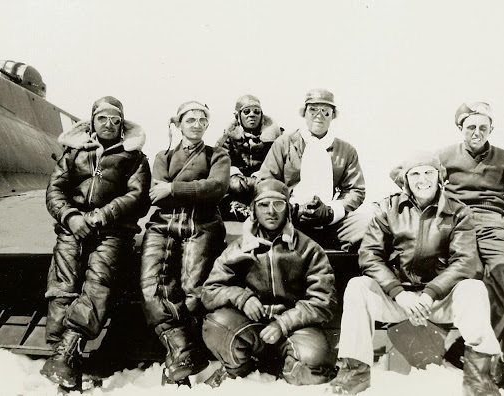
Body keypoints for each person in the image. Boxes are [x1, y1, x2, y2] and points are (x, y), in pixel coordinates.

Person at [330, 153, 504, 396]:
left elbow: (464, 261)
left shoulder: (459, 212)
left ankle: (479, 378)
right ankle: (354, 373)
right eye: (415, 174)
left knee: (473, 289)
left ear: (439, 176)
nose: (422, 179)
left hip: (440, 299)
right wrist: (399, 294)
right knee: (358, 287)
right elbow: (369, 255)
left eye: (428, 172)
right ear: (406, 181)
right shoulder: (387, 209)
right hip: (400, 299)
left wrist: (430, 294)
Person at [390, 102, 504, 388]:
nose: (477, 132)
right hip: (453, 221)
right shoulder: (443, 155)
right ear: (460, 129)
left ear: (491, 129)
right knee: (464, 273)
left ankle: (486, 354)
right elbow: (401, 171)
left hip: (490, 223)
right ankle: (451, 344)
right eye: (471, 127)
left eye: (483, 127)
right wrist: (429, 198)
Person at [42, 96, 151, 388]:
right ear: (92, 121)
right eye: (102, 118)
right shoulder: (72, 153)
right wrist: (71, 217)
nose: (109, 124)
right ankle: (60, 356)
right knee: (61, 287)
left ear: (122, 123)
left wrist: (104, 215)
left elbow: (136, 196)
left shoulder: (134, 158)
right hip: (73, 230)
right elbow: (55, 190)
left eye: (115, 119)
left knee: (97, 287)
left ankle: (66, 352)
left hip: (112, 232)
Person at [201, 179, 337, 387]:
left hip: (294, 330)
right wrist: (242, 298)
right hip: (251, 327)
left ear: (288, 209)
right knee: (216, 324)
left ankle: (285, 371)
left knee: (314, 366)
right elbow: (210, 291)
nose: (271, 211)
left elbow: (323, 301)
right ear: (253, 210)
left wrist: (283, 323)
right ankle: (238, 370)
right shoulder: (238, 248)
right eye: (264, 205)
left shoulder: (309, 249)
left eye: (278, 204)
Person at [139, 101, 230, 386]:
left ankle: (179, 365)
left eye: (202, 120)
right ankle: (186, 356)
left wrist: (174, 188)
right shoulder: (163, 156)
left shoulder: (218, 155)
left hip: (201, 225)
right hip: (163, 224)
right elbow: (156, 194)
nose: (197, 124)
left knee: (192, 293)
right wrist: (189, 190)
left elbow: (217, 187)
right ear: (178, 124)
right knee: (151, 287)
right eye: (190, 120)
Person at [257, 88, 366, 250]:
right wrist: (291, 209)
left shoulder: (346, 150)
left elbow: (355, 190)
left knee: (368, 226)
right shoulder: (284, 143)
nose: (319, 115)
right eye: (313, 110)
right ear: (304, 113)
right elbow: (266, 182)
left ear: (333, 115)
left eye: (325, 111)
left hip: (330, 220)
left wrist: (330, 212)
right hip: (290, 218)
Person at [215, 94, 283, 220]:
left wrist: (263, 173)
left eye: (256, 111)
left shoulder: (277, 136)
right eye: (246, 111)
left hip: (265, 180)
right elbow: (220, 159)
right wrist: (234, 173)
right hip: (237, 184)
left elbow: (281, 160)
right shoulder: (229, 137)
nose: (252, 115)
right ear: (238, 116)